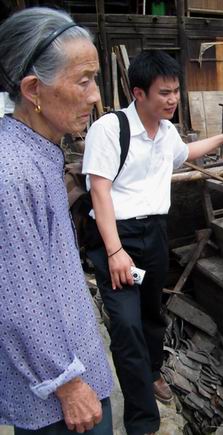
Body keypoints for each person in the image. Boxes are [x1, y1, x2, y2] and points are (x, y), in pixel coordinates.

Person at [82, 50, 223, 435]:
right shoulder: (109, 129)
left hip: (155, 233)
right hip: (115, 235)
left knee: (152, 312)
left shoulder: (167, 132)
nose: (173, 100)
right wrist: (115, 250)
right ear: (138, 92)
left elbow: (187, 154)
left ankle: (153, 371)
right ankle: (143, 423)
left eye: (175, 92)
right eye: (164, 93)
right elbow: (99, 192)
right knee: (125, 325)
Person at [0, 7, 113, 434]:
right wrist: (66, 384)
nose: (95, 95)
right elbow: (16, 296)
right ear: (33, 89)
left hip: (76, 361)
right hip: (59, 398)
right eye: (83, 80)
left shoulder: (39, 150)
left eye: (95, 78)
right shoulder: (10, 171)